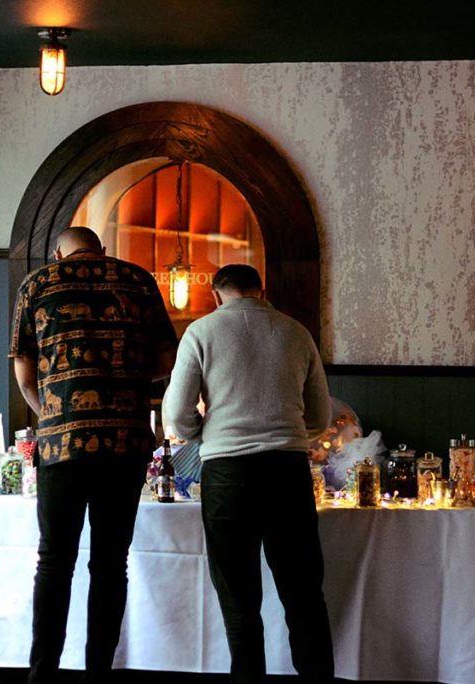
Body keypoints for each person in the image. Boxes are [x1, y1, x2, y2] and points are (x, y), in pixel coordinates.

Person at [9, 226, 178, 683]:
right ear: (102, 250)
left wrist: (51, 416)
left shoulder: (38, 284)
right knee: (109, 563)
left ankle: (42, 673)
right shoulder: (139, 281)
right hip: (124, 443)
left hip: (62, 445)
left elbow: (24, 373)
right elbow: (167, 361)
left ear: (59, 252)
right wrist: (128, 378)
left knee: (54, 561)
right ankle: (98, 672)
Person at [162, 264, 334, 684]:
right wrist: (289, 432)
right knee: (303, 594)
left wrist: (203, 433)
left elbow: (176, 415)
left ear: (214, 296)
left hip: (227, 474)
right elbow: (320, 416)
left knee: (238, 598)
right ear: (263, 290)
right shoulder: (295, 332)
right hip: (287, 472)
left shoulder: (201, 332)